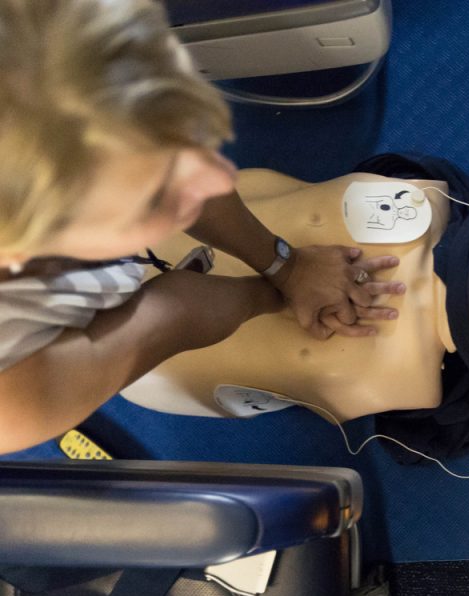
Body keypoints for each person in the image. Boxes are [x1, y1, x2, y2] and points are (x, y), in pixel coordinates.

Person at [0, 0, 403, 455]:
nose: (217, 176)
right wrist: (274, 293)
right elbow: (173, 313)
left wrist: (287, 266)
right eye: (152, 197)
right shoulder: (14, 402)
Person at [122, 154, 469, 459]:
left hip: (149, 367)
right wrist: (282, 274)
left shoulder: (411, 383)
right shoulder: (425, 201)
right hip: (137, 225)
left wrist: (280, 278)